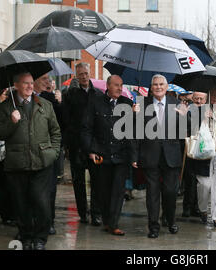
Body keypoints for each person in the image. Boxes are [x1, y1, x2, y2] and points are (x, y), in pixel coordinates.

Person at [0, 72, 61, 250]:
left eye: (31, 83)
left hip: (42, 162)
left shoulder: (45, 105)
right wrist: (11, 121)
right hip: (17, 163)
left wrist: (52, 153)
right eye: (25, 83)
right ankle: (26, 235)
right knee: (21, 203)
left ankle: (40, 238)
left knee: (41, 202)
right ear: (16, 85)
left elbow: (55, 132)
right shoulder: (7, 107)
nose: (30, 86)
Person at [130, 74, 189, 239]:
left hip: (171, 156)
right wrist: (134, 155)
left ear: (167, 86)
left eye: (161, 84)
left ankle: (170, 220)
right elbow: (135, 133)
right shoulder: (142, 104)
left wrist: (184, 116)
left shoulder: (177, 103)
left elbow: (187, 128)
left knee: (171, 192)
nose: (158, 87)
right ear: (151, 87)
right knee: (152, 194)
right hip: (150, 156)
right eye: (155, 84)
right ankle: (153, 226)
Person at [80, 75, 133, 236]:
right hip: (102, 154)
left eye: (121, 85)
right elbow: (86, 128)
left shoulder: (128, 104)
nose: (119, 88)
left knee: (118, 190)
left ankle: (113, 224)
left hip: (121, 155)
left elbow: (135, 130)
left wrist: (136, 114)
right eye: (116, 85)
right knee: (103, 190)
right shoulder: (95, 103)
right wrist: (90, 150)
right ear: (108, 86)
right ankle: (107, 220)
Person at [62, 63, 102, 225]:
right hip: (76, 145)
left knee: (97, 181)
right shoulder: (70, 95)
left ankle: (96, 214)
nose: (84, 77)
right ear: (76, 76)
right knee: (78, 182)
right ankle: (82, 213)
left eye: (86, 73)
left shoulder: (98, 94)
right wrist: (68, 143)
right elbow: (65, 120)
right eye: (80, 74)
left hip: (95, 146)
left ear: (90, 73)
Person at [192, 88, 216, 227]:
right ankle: (202, 209)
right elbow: (190, 129)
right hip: (203, 153)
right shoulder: (200, 109)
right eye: (214, 94)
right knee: (204, 185)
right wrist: (203, 118)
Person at [33, 73, 61, 235]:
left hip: (48, 153)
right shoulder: (22, 99)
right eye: (44, 79)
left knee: (49, 190)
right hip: (31, 153)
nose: (48, 82)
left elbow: (60, 127)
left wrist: (60, 103)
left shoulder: (51, 100)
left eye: (49, 79)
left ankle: (49, 221)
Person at [0, 88, 15, 226]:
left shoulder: (15, 108)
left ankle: (9, 213)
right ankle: (2, 210)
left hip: (10, 153)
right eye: (5, 94)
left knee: (8, 185)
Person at [181, 91, 206, 218]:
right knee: (189, 179)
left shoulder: (208, 112)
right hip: (189, 148)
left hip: (203, 149)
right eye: (196, 98)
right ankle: (187, 206)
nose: (199, 101)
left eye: (201, 99)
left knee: (199, 179)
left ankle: (196, 207)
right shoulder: (188, 109)